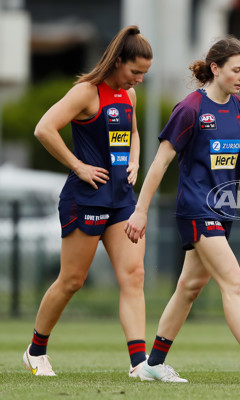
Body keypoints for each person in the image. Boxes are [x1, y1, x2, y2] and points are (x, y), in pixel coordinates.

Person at [124, 36, 240, 384]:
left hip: (224, 210)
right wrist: (140, 211)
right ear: (215, 68)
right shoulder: (189, 109)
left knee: (189, 287)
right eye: (237, 69)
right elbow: (159, 165)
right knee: (234, 283)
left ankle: (153, 364)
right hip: (195, 209)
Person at [23, 26, 153, 377]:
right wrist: (78, 166)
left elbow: (135, 132)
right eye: (135, 72)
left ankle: (139, 364)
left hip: (122, 200)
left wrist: (136, 161)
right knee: (72, 281)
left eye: (144, 74)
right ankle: (36, 351)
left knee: (134, 276)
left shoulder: (129, 95)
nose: (139, 80)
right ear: (117, 61)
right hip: (87, 199)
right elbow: (44, 128)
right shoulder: (86, 92)